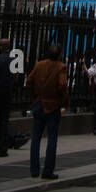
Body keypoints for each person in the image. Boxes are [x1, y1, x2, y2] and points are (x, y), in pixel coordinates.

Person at [26, 43, 69, 180]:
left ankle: (34, 169)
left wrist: (34, 96)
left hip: (39, 103)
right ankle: (48, 170)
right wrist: (64, 100)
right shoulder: (61, 67)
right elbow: (62, 85)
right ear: (60, 55)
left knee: (36, 138)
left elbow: (29, 81)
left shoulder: (39, 65)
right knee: (52, 139)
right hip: (52, 105)